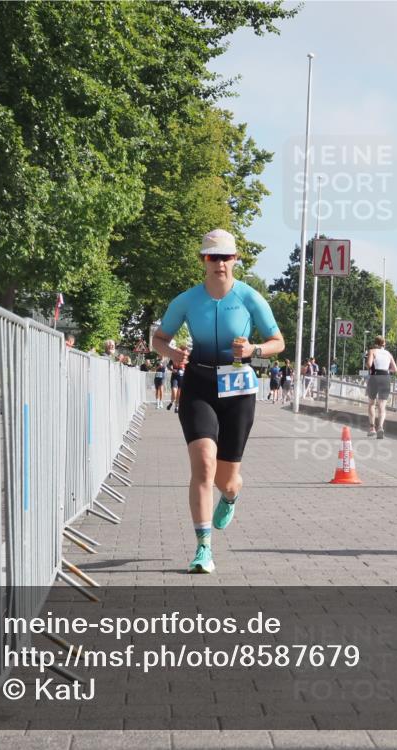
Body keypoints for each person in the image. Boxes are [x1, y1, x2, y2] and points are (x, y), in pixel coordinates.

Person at [152, 229, 285, 574]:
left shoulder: (249, 297)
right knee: (203, 465)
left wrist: (254, 349)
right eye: (213, 257)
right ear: (203, 260)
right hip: (199, 384)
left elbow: (278, 341)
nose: (220, 263)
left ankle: (230, 496)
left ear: (235, 260)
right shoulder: (186, 300)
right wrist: (172, 354)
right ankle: (203, 548)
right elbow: (159, 339)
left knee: (225, 479)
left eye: (226, 257)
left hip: (237, 387)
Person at [366, 335, 397, 439]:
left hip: (375, 377)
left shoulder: (372, 351)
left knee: (371, 403)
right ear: (384, 344)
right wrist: (387, 369)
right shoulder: (388, 354)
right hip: (385, 378)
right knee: (382, 406)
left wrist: (369, 364)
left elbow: (369, 364)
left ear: (375, 343)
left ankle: (372, 428)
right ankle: (380, 427)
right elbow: (395, 369)